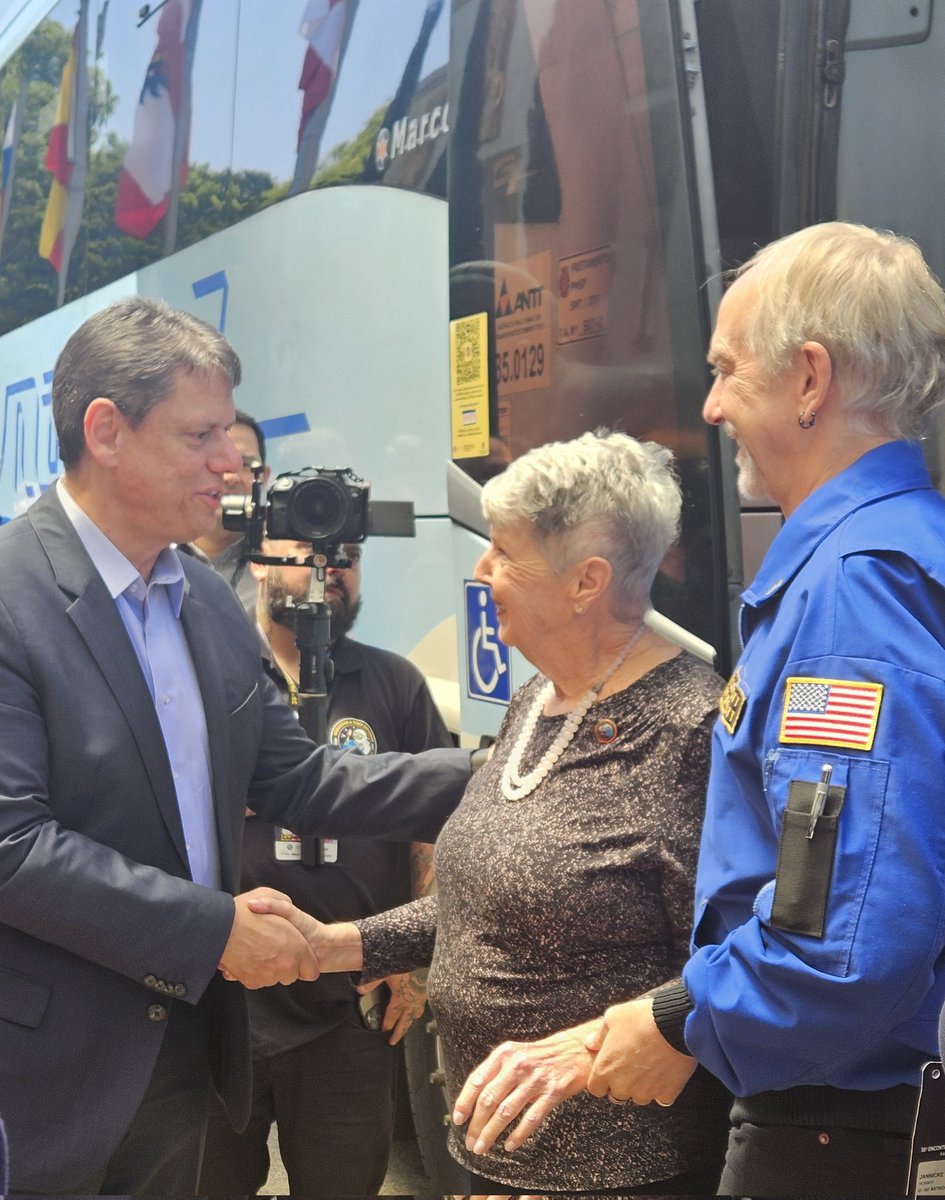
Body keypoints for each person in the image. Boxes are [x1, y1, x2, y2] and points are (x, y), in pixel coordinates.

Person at [455, 223, 945, 1198]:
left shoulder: (851, 590)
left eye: (727, 370)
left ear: (811, 379)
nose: (711, 406)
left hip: (837, 1131)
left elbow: (841, 928)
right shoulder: (896, 553)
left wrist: (681, 1019)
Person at [0, 296, 472, 1196]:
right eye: (201, 436)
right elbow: (12, 846)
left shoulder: (206, 601)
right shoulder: (11, 596)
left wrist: (500, 775)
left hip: (186, 1055)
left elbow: (301, 779)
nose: (233, 465)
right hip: (49, 1070)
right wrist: (216, 930)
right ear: (106, 431)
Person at [262, 430, 732, 1194]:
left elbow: (716, 975)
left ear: (586, 582)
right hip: (495, 1157)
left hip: (615, 1171)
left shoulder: (689, 730)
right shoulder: (534, 704)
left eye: (504, 553)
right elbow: (485, 907)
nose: (481, 571)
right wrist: (332, 944)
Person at [199, 535, 452, 1195]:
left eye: (346, 555)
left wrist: (410, 961)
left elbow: (430, 834)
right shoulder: (210, 676)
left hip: (350, 1004)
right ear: (257, 560)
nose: (329, 569)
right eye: (308, 550)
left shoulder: (393, 682)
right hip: (219, 999)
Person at [181, 407, 271, 616]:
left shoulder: (283, 565)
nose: (231, 478)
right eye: (216, 462)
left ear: (265, 477)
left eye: (246, 465)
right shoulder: (151, 555)